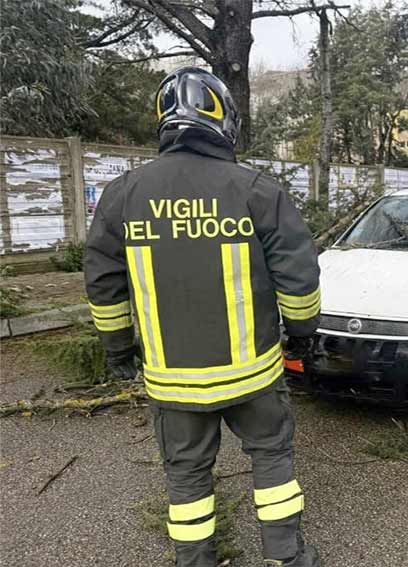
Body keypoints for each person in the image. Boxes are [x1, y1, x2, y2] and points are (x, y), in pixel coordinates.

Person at [84, 67, 321, 567]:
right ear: (224, 121)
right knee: (272, 459)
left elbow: (104, 287)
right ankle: (287, 557)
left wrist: (118, 350)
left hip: (173, 383)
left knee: (186, 476)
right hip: (254, 376)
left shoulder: (122, 195)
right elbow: (299, 278)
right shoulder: (257, 190)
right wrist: (302, 335)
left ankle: (195, 561)